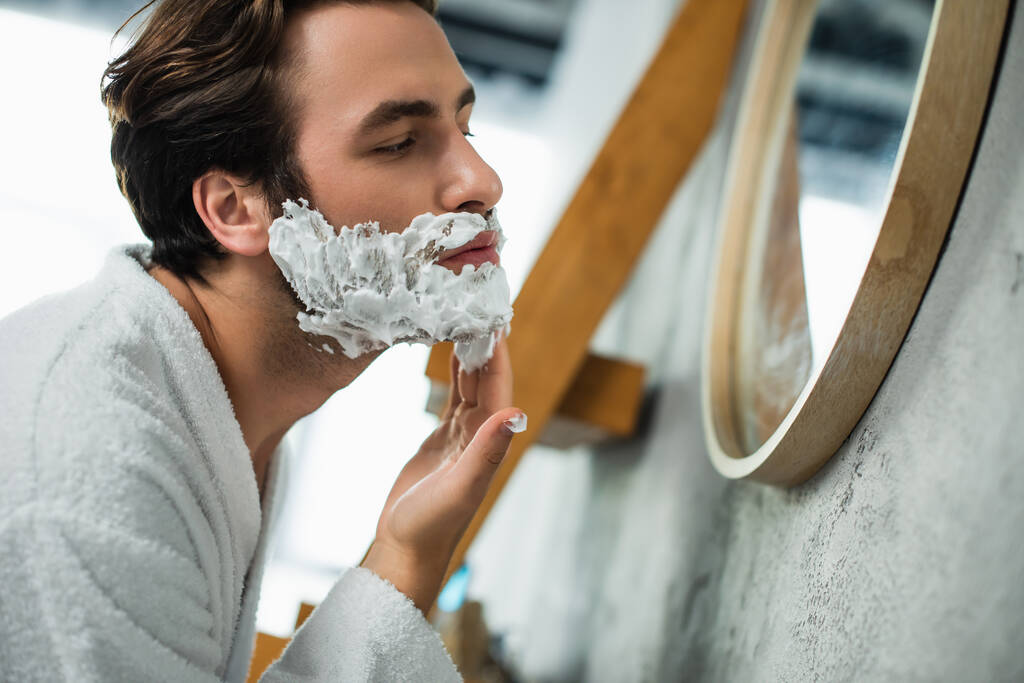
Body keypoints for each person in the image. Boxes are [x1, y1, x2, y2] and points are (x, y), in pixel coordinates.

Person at [0, 0, 524, 680]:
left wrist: (404, 555)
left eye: (466, 126)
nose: (483, 182)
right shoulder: (89, 469)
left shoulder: (201, 402)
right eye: (398, 141)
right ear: (234, 208)